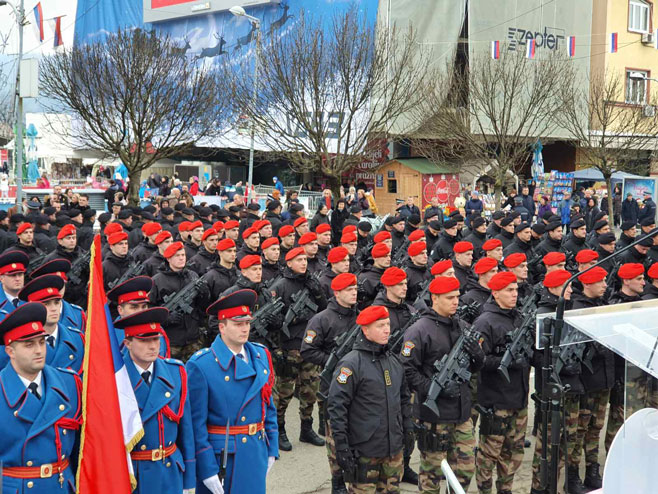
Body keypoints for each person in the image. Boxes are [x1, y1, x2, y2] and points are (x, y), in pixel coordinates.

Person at [187, 289, 278, 494]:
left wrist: (271, 447)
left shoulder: (260, 355)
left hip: (254, 450)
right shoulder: (202, 365)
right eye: (238, 324)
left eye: (247, 323)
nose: (244, 329)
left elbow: (267, 404)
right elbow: (195, 425)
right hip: (224, 458)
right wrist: (206, 469)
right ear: (222, 327)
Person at [401, 276, 484, 492]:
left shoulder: (463, 325)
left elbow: (472, 369)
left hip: (462, 413)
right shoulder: (419, 330)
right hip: (434, 417)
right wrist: (430, 387)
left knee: (465, 471)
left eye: (457, 297)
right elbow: (407, 369)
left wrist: (478, 357)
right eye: (450, 298)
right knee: (432, 474)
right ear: (435, 298)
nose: (456, 301)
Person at [327, 305, 413, 494]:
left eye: (388, 324)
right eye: (380, 325)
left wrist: (408, 430)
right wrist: (341, 447)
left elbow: (404, 400)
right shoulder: (351, 364)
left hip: (393, 449)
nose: (387, 330)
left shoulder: (393, 361)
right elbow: (337, 407)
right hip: (365, 451)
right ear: (365, 330)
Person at [0, 302, 82, 494]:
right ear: (10, 351)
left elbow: (80, 448)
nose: (38, 350)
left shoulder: (69, 384)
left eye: (41, 342)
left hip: (62, 485)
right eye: (29, 345)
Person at [114, 307, 196, 494]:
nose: (152, 346)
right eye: (144, 340)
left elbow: (186, 428)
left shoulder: (175, 372)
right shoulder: (116, 379)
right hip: (134, 475)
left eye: (156, 339)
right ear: (127, 343)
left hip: (169, 470)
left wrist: (189, 477)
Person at [300, 272, 358, 494]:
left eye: (355, 289)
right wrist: (333, 362)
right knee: (335, 436)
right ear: (337, 293)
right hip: (332, 384)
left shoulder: (359, 317)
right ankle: (337, 480)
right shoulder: (322, 319)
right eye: (349, 290)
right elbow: (308, 350)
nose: (354, 293)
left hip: (358, 385)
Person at [473, 271, 529, 494]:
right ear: (495, 293)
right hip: (496, 401)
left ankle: (506, 489)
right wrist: (503, 361)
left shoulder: (518, 316)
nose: (514, 294)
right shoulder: (485, 322)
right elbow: (477, 361)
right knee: (489, 454)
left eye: (515, 290)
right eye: (509, 290)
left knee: (513, 453)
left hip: (519, 398)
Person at [270, 247, 327, 451]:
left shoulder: (311, 282)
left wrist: (317, 292)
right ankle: (279, 430)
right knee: (284, 393)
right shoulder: (280, 286)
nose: (304, 263)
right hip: (288, 348)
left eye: (305, 259)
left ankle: (306, 427)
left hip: (310, 345)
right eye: (299, 259)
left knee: (310, 390)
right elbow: (273, 320)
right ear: (289, 263)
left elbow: (324, 309)